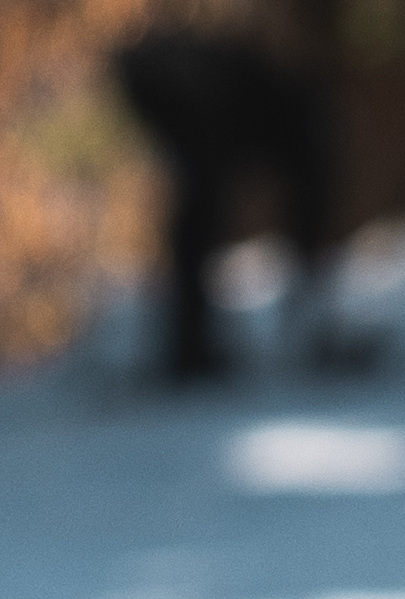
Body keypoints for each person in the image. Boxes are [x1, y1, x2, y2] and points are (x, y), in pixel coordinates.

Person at [106, 21, 353, 386]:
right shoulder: (176, 87)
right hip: (206, 108)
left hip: (259, 115)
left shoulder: (240, 93)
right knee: (197, 219)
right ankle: (191, 345)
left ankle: (203, 343)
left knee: (202, 215)